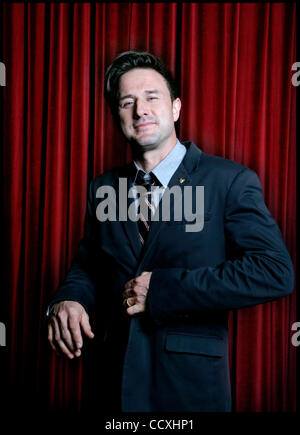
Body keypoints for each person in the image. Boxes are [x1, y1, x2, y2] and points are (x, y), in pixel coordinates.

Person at [46, 50, 294, 412]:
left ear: (176, 108)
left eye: (151, 97)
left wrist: (162, 290)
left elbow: (274, 272)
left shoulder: (229, 180)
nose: (140, 110)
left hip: (190, 388)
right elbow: (90, 265)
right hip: (112, 384)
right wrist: (69, 298)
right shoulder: (104, 188)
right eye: (126, 101)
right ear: (117, 116)